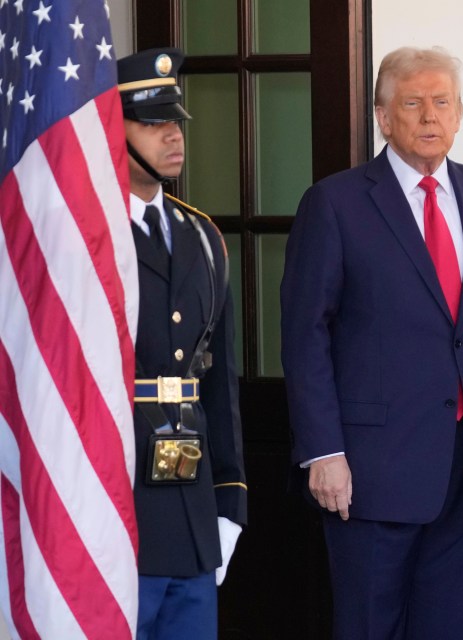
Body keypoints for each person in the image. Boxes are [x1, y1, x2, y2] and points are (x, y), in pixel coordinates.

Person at [281, 46, 463, 639]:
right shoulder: (335, 203)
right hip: (369, 472)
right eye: (412, 102)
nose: (430, 116)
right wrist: (322, 450)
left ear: (459, 115)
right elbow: (306, 338)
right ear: (383, 116)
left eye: (442, 102)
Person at [119, 48, 246, 640]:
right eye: (152, 123)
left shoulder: (203, 237)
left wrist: (230, 498)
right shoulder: (84, 235)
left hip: (191, 509)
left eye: (176, 121)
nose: (174, 135)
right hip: (115, 507)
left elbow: (217, 381)